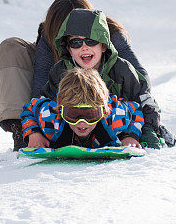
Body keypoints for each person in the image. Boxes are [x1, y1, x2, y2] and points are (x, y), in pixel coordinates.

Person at [0, 0, 148, 149]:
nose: (83, 45)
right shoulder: (50, 44)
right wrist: (34, 131)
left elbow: (140, 85)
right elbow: (38, 98)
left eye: (89, 39)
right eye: (74, 40)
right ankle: (21, 133)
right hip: (63, 100)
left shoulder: (109, 33)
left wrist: (140, 132)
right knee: (11, 47)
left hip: (100, 100)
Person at [40, 8, 166, 148]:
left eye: (91, 41)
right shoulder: (61, 71)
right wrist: (37, 133)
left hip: (120, 129)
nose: (84, 47)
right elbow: (44, 105)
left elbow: (143, 101)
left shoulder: (121, 70)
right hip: (74, 132)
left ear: (104, 45)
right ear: (68, 48)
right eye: (76, 43)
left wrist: (145, 131)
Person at [21, 67, 143, 149]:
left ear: (104, 112)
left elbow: (136, 109)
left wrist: (130, 135)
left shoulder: (116, 116)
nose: (82, 123)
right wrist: (33, 133)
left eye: (90, 115)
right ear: (61, 111)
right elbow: (29, 109)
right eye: (73, 114)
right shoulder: (49, 119)